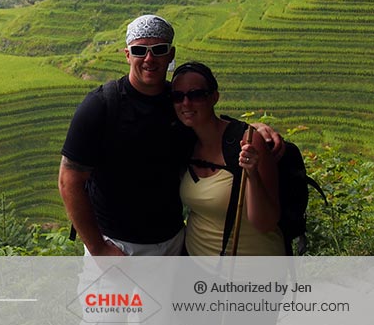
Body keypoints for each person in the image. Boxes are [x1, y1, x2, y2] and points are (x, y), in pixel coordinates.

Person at [58, 14, 281, 256]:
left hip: (173, 245)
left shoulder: (177, 101)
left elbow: (207, 121)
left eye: (159, 49)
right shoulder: (100, 105)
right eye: (140, 50)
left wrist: (254, 128)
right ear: (127, 55)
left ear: (171, 54)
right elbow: (68, 180)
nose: (149, 59)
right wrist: (98, 248)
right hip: (117, 247)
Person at [171, 61, 285, 255]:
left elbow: (265, 223)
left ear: (214, 97)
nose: (186, 103)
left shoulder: (248, 142)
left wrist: (252, 176)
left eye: (196, 95)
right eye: (177, 96)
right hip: (197, 268)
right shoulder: (185, 142)